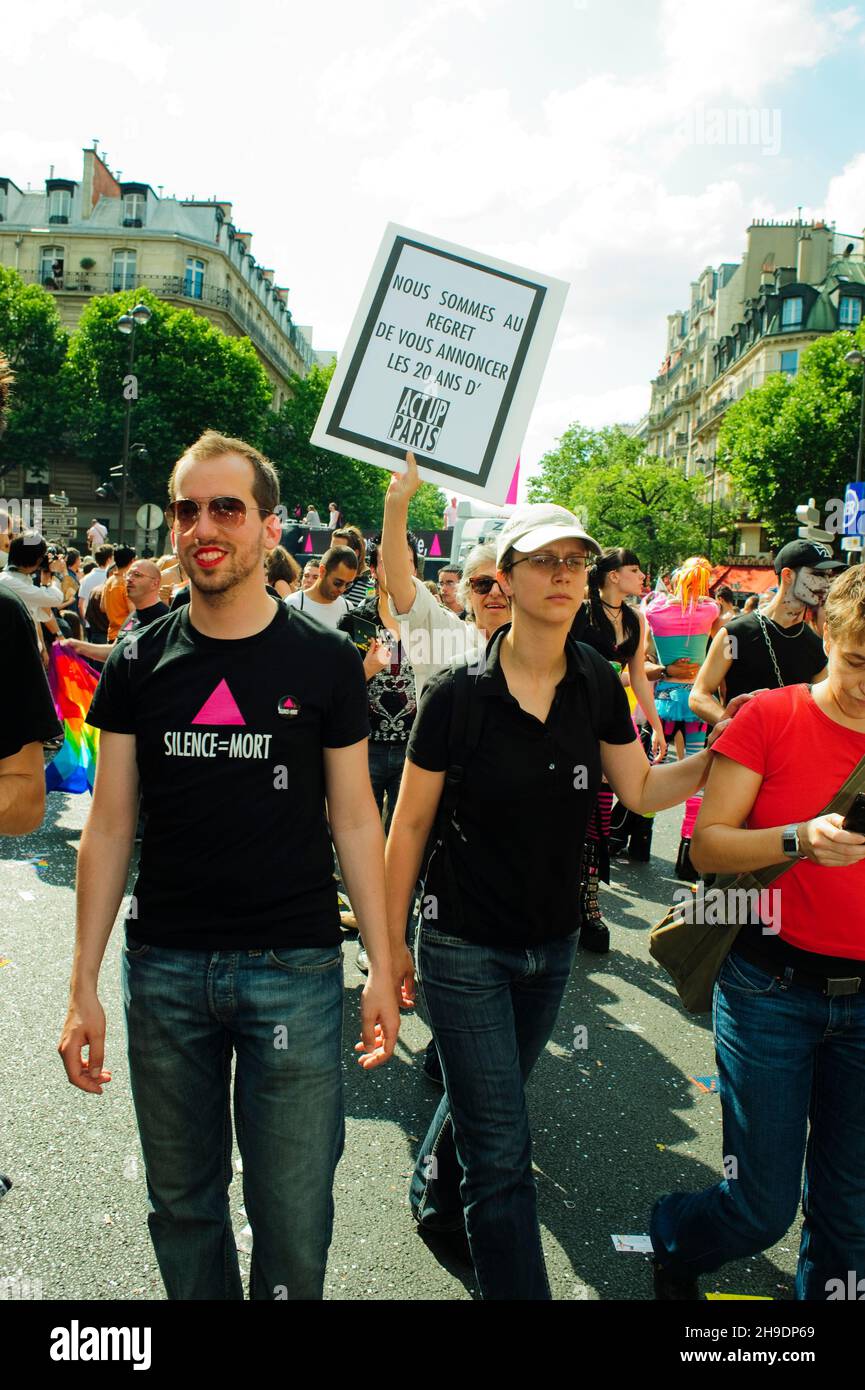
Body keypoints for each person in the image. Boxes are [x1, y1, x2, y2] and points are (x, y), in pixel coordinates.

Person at [57, 430, 399, 1302]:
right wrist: (83, 982)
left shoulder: (323, 661)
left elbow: (356, 819)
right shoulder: (139, 658)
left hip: (295, 968)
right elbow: (108, 826)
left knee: (292, 1213)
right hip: (165, 972)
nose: (203, 526)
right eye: (186, 508)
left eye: (226, 508)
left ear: (269, 526)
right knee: (181, 1208)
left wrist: (384, 962)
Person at [386, 502, 727, 1300]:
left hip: (551, 944)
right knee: (503, 1152)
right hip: (462, 941)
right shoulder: (457, 696)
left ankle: (435, 1196)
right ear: (504, 581)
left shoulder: (596, 687)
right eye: (545, 560)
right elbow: (407, 828)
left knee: (487, 1098)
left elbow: (640, 789)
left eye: (577, 561)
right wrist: (389, 947)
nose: (565, 573)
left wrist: (724, 753)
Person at [651, 563, 865, 1302]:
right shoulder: (772, 715)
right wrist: (797, 840)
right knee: (758, 1207)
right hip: (769, 985)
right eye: (858, 660)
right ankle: (673, 1237)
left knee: (850, 1216)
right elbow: (708, 846)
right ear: (824, 633)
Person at [575, 548, 666, 948]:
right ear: (612, 576)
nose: (642, 575)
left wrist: (657, 726)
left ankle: (589, 902)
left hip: (613, 718)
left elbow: (638, 678)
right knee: (567, 805)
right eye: (634, 569)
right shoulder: (580, 611)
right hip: (572, 715)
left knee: (601, 805)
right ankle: (560, 894)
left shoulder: (635, 618)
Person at [338, 532, 419, 972]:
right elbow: (332, 692)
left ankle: (398, 939)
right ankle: (372, 936)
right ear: (373, 569)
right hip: (363, 749)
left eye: (404, 560)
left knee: (406, 852)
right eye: (387, 561)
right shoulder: (355, 623)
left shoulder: (434, 623)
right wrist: (363, 669)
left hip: (417, 752)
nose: (397, 569)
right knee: (361, 849)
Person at [383, 454, 510, 701]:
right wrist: (396, 503)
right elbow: (398, 582)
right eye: (482, 584)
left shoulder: (537, 651)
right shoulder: (443, 633)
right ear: (467, 592)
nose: (494, 592)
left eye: (503, 584)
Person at [689, 540, 843, 727]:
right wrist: (732, 726)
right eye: (817, 574)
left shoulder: (816, 646)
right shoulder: (735, 635)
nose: (825, 584)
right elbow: (699, 694)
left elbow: (819, 710)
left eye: (828, 576)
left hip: (787, 752)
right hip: (736, 752)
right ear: (788, 576)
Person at [645, 557, 722, 880]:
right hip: (696, 702)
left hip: (662, 700)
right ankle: (687, 852)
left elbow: (648, 651)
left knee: (652, 769)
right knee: (697, 773)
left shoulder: (655, 612)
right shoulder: (710, 612)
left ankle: (639, 834)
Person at [61, 560, 169, 663]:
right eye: (128, 574)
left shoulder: (165, 619)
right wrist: (78, 646)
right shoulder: (134, 616)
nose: (129, 579)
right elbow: (116, 651)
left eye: (137, 575)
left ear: (155, 584)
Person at [0, 533, 66, 661]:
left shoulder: (16, 579)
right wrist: (56, 575)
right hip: (16, 656)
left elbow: (41, 614)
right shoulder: (11, 582)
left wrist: (46, 578)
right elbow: (55, 599)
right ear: (37, 560)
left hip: (22, 652)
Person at [284, 545, 358, 630]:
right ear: (322, 571)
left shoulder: (347, 608)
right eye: (338, 583)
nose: (342, 589)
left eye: (348, 584)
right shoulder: (294, 604)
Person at [100, 545, 136, 640]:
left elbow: (103, 607)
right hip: (125, 637)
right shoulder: (127, 583)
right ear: (132, 561)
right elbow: (133, 613)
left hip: (111, 634)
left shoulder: (109, 581)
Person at [333, 525, 372, 606]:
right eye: (331, 550)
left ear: (355, 553)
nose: (332, 555)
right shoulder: (325, 578)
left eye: (339, 550)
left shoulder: (370, 585)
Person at [78, 544, 114, 627]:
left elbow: (80, 604)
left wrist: (86, 621)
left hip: (89, 624)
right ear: (109, 559)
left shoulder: (86, 578)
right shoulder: (112, 578)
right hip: (107, 624)